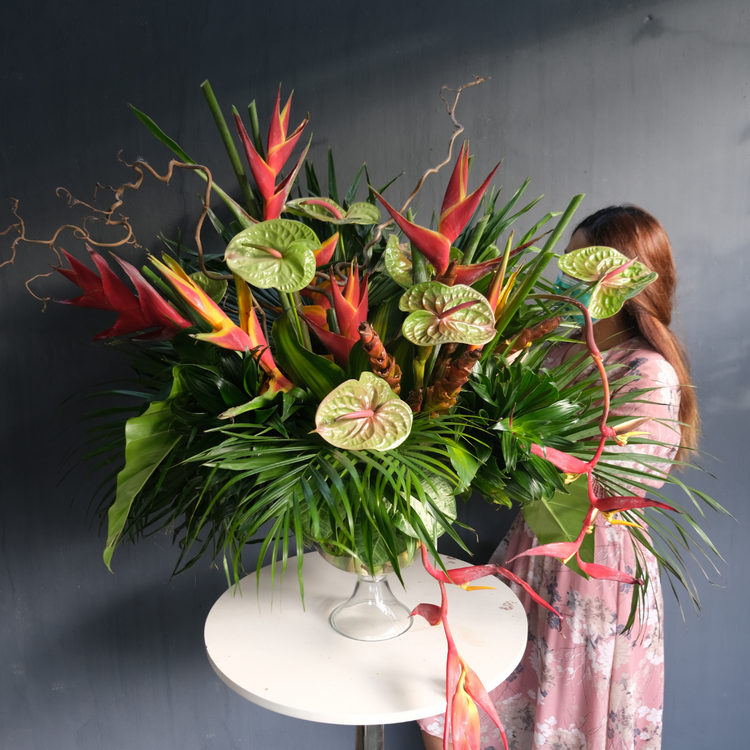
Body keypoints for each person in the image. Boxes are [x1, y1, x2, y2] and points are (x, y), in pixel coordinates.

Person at [419, 206, 699, 750]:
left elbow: (615, 480)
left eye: (581, 262)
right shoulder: (556, 350)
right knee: (461, 698)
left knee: (573, 715)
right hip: (534, 547)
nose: (567, 275)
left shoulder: (648, 372)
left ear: (623, 278)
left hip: (595, 566)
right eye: (568, 261)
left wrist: (517, 445)